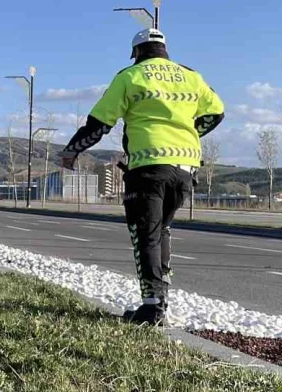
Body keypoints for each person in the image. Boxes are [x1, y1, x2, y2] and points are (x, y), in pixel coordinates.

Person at [61, 28, 224, 326]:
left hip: (148, 167)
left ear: (136, 52)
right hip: (186, 168)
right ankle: (160, 301)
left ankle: (151, 308)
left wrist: (72, 150)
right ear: (164, 50)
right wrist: (189, 135)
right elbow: (217, 112)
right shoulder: (191, 76)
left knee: (145, 234)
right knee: (161, 231)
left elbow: (99, 124)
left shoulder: (130, 76)